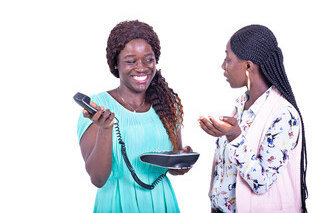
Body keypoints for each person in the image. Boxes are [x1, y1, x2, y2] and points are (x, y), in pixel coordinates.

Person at [76, 20, 191, 212]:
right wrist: (106, 129)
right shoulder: (98, 107)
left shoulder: (167, 104)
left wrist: (182, 161)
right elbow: (98, 178)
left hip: (161, 203)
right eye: (131, 61)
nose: (142, 68)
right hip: (116, 203)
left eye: (149, 59)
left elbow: (173, 167)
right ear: (116, 64)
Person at [198, 24, 308, 213]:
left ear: (248, 66)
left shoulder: (283, 115)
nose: (223, 66)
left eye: (228, 59)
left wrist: (234, 137)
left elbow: (261, 182)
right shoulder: (241, 106)